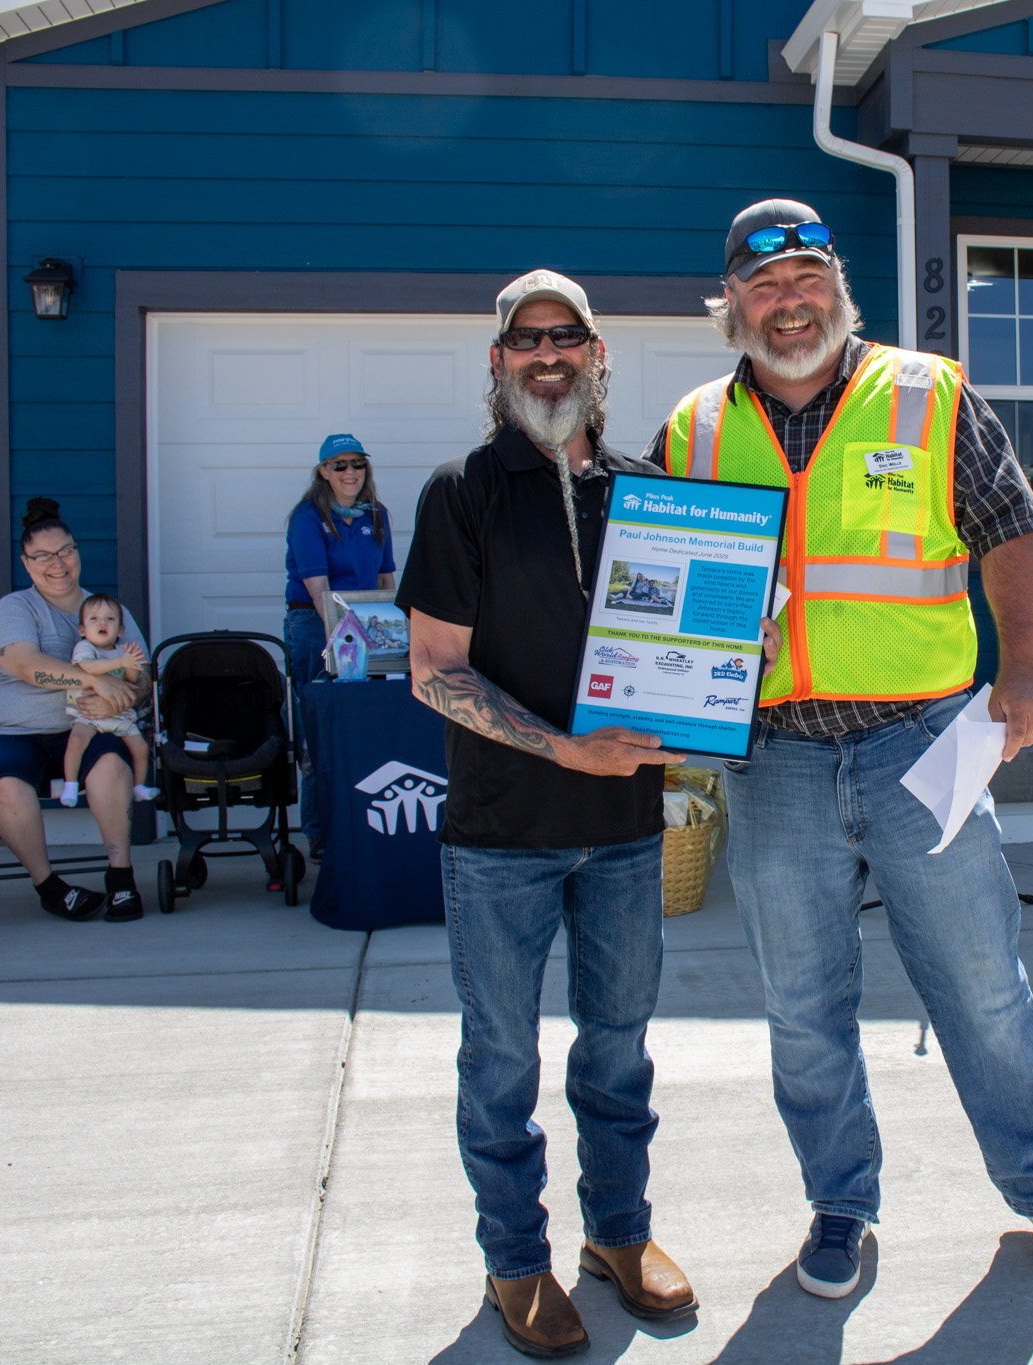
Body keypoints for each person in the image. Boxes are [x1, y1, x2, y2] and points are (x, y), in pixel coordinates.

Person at [648, 199, 1033, 1294]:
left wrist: (1024, 672)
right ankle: (838, 1204)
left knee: (981, 987)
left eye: (804, 277)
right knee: (802, 1006)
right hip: (776, 758)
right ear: (732, 306)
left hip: (922, 747)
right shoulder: (694, 426)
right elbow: (663, 578)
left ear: (836, 286)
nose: (787, 301)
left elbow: (1010, 529)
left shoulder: (925, 392)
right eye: (762, 287)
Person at [399, 269, 696, 1359]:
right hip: (501, 835)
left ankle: (618, 1237)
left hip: (623, 833)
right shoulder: (461, 492)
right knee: (502, 1061)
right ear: (497, 363)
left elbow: (685, 646)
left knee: (618, 1051)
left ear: (597, 354)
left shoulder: (648, 489)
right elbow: (434, 672)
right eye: (525, 340)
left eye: (565, 336)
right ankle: (514, 1259)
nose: (546, 355)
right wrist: (564, 745)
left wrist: (728, 657)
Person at [0, 497, 151, 923]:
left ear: (77, 552)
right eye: (44, 556)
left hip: (89, 725)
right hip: (12, 729)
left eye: (66, 551)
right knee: (7, 782)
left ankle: (121, 879)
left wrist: (125, 693)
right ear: (26, 563)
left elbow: (141, 678)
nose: (58, 564)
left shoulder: (107, 610)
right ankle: (49, 886)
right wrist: (94, 679)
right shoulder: (17, 607)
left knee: (111, 763)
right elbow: (25, 665)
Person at [284, 432, 396, 860]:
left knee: (364, 723)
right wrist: (340, 640)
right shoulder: (309, 517)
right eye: (340, 465)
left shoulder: (377, 514)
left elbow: (386, 580)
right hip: (317, 626)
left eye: (357, 464)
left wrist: (396, 634)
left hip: (369, 626)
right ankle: (319, 831)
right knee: (319, 731)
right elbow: (318, 589)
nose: (350, 472)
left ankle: (363, 821)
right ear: (323, 472)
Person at [59, 593, 156, 807]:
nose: (102, 622)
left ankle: (139, 787)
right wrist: (121, 661)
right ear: (82, 630)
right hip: (88, 714)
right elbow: (89, 668)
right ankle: (71, 785)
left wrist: (131, 667)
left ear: (120, 630)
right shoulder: (85, 648)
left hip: (119, 714)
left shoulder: (123, 651)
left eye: (110, 619)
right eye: (94, 619)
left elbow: (130, 682)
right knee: (76, 742)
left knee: (140, 748)